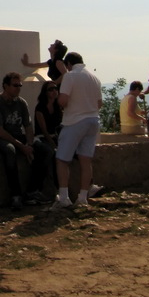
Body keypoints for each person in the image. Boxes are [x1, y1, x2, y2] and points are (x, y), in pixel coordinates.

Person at [0, 72, 53, 210]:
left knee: (45, 150)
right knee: (10, 151)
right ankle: (15, 195)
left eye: (20, 85)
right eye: (15, 85)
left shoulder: (21, 103)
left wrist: (29, 144)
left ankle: (32, 191)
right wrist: (22, 147)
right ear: (6, 86)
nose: (18, 88)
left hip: (19, 136)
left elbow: (28, 126)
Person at [53, 52, 103, 209]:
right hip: (93, 120)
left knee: (62, 159)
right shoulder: (95, 78)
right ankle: (82, 197)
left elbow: (63, 100)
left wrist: (60, 102)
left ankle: (64, 197)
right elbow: (99, 103)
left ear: (68, 64)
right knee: (85, 160)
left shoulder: (70, 76)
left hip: (75, 120)